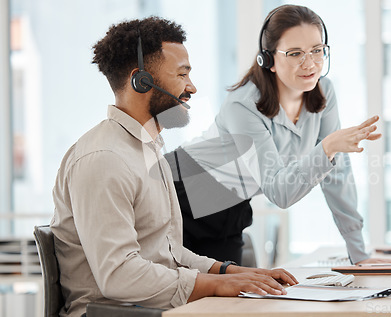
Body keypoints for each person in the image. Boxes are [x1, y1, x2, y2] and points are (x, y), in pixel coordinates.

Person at [50, 16, 297, 317]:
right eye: (181, 75)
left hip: (152, 309)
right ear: (141, 80)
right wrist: (214, 286)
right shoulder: (104, 159)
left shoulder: (148, 149)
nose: (191, 87)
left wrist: (230, 273)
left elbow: (169, 253)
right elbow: (118, 276)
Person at [168, 5, 391, 269]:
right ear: (269, 60)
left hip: (231, 206)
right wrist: (328, 147)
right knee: (186, 299)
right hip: (181, 192)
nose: (309, 63)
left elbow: (337, 175)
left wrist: (360, 254)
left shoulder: (324, 92)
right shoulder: (242, 105)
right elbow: (280, 192)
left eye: (317, 50)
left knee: (227, 304)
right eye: (295, 53)